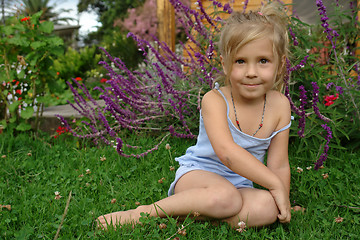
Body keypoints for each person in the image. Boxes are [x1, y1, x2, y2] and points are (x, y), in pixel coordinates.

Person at [97, 1, 292, 230]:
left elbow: (279, 165)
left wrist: (283, 198)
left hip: (240, 186)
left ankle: (195, 217)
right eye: (240, 61)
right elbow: (227, 152)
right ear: (226, 65)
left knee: (266, 208)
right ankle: (146, 213)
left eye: (263, 61)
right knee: (225, 198)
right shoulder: (215, 99)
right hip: (198, 177)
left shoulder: (280, 106)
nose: (251, 72)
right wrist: (273, 184)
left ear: (279, 66)